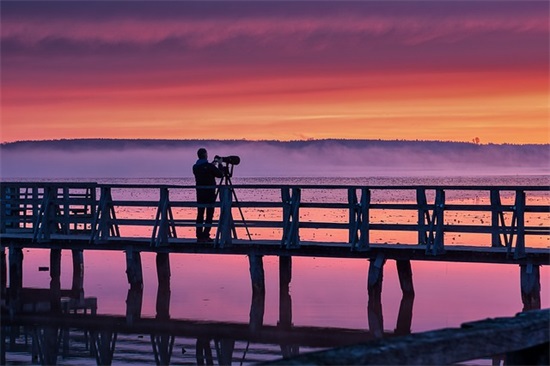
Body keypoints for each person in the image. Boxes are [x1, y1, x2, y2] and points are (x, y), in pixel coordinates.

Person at [193, 148, 224, 243]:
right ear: (205, 155)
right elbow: (220, 174)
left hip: (200, 194)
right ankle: (206, 235)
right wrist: (220, 164)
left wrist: (211, 165)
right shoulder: (209, 166)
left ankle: (199, 236)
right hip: (210, 194)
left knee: (200, 215)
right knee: (209, 215)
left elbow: (205, 168)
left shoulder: (195, 167)